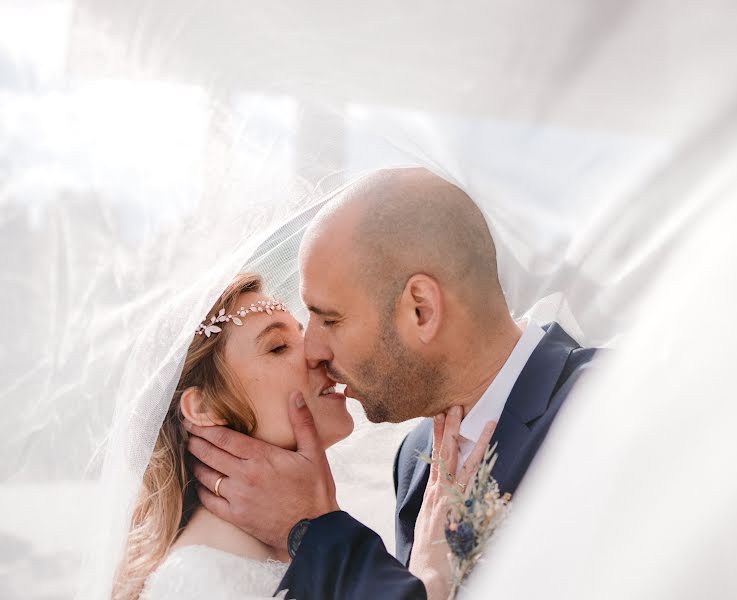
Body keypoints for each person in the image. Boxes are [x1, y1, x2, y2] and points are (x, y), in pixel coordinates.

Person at [186, 167, 599, 599]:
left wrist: (314, 528)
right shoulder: (415, 459)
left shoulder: (601, 410)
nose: (312, 351)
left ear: (420, 309)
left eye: (329, 319)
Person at [111, 272, 355, 599]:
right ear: (204, 407)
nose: (316, 354)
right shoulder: (202, 583)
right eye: (279, 347)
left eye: (301, 335)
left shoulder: (305, 533)